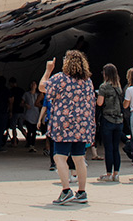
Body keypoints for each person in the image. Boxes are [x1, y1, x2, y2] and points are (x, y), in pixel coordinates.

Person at [40, 50, 94, 204]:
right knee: (79, 158)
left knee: (59, 157)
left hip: (64, 125)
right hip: (82, 125)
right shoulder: (87, 81)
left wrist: (48, 70)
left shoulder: (61, 79)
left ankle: (66, 190)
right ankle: (82, 192)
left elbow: (42, 87)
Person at [95, 63, 124, 182]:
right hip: (119, 120)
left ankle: (108, 173)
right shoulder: (119, 87)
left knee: (108, 148)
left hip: (108, 119)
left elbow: (100, 103)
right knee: (116, 148)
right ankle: (116, 174)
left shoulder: (104, 87)